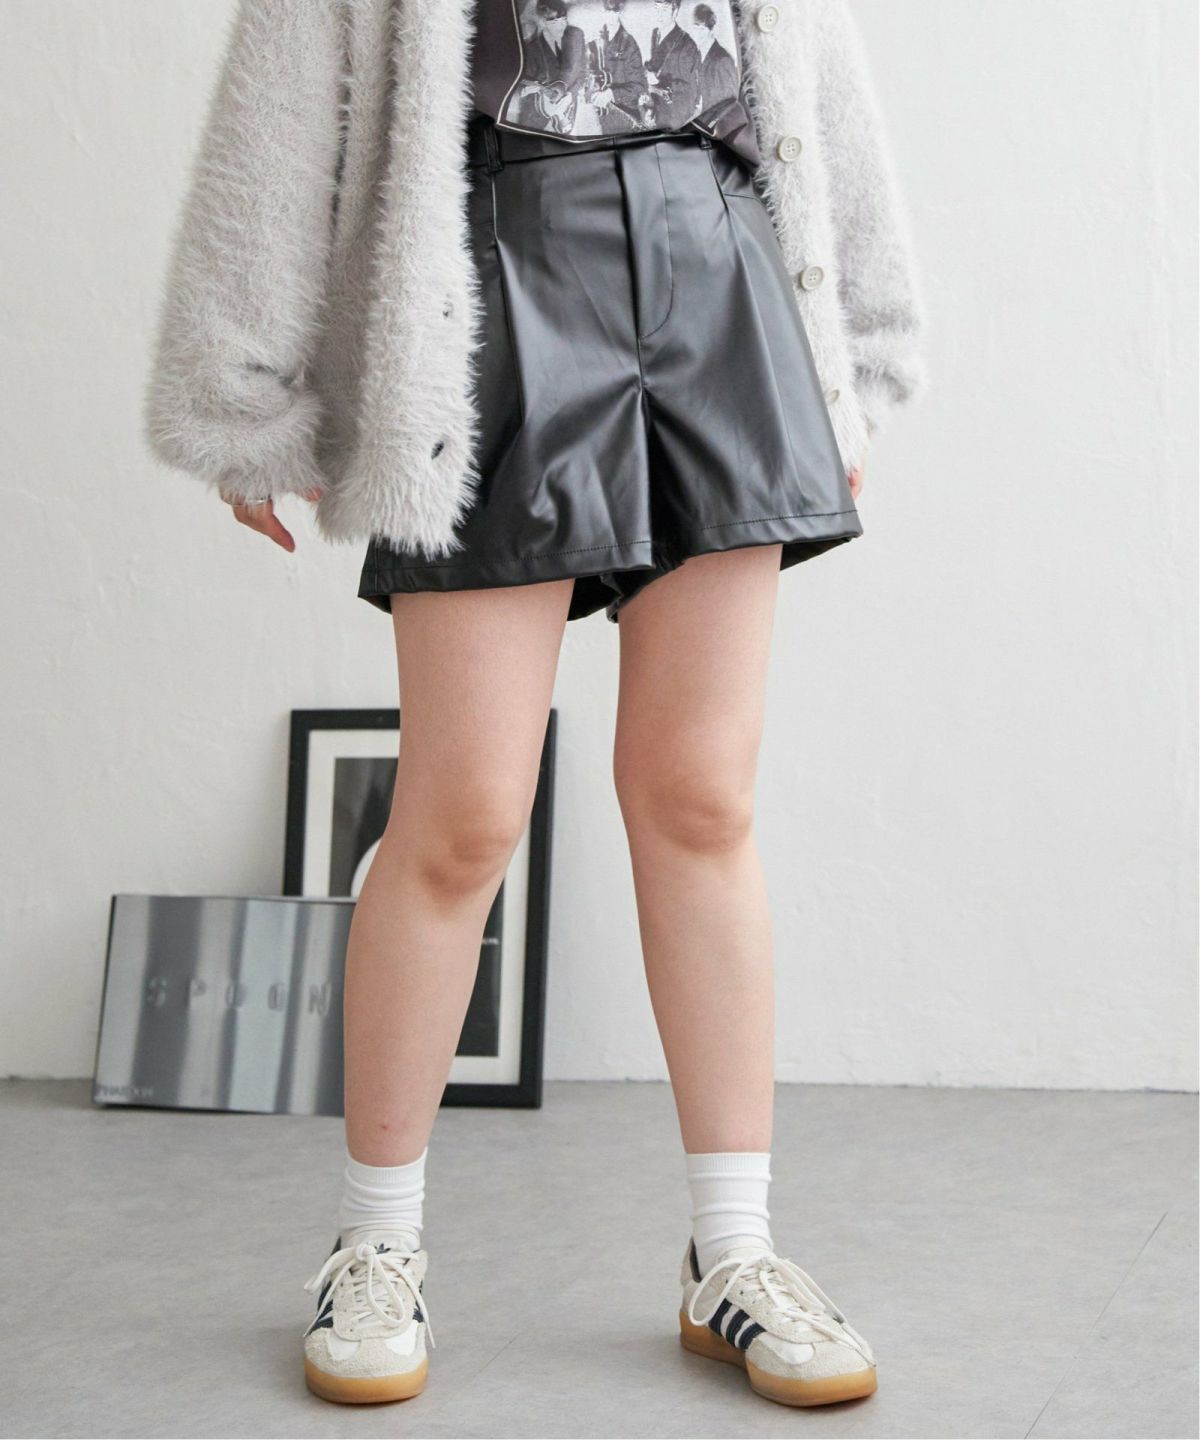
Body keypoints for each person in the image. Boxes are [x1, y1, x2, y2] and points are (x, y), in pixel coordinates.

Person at [144, 0, 928, 1412]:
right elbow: (287, 83)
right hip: (492, 272)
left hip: (720, 265)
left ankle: (733, 1254)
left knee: (701, 798)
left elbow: (811, 61)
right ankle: (374, 1245)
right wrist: (240, 388)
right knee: (463, 816)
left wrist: (852, 347)